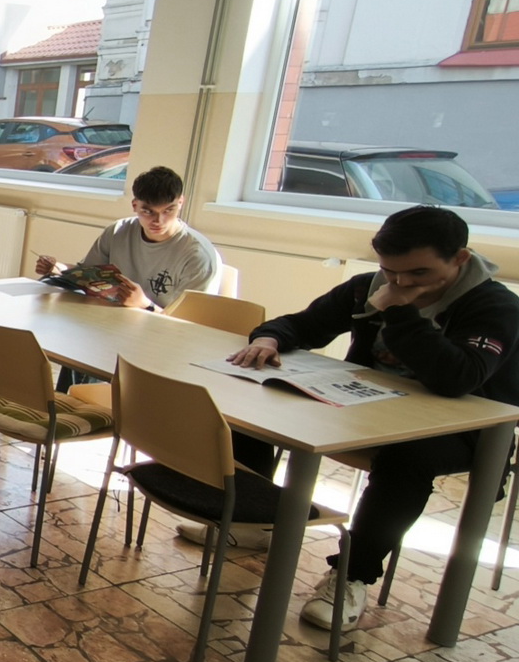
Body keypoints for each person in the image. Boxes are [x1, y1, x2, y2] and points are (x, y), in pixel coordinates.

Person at [204, 205, 518, 633]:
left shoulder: (494, 305)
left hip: (463, 427)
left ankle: (352, 575)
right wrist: (269, 338)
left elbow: (457, 378)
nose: (401, 283)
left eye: (419, 273)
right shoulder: (368, 286)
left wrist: (400, 312)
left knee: (408, 458)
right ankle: (254, 518)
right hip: (370, 407)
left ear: (459, 258)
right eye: (391, 271)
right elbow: (303, 324)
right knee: (256, 397)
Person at [35, 165, 220, 310]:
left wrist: (145, 305)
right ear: (134, 205)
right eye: (148, 211)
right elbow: (88, 273)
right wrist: (58, 268)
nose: (158, 221)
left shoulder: (197, 256)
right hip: (113, 319)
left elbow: (186, 323)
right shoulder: (118, 231)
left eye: (168, 210)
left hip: (160, 332)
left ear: (180, 202)